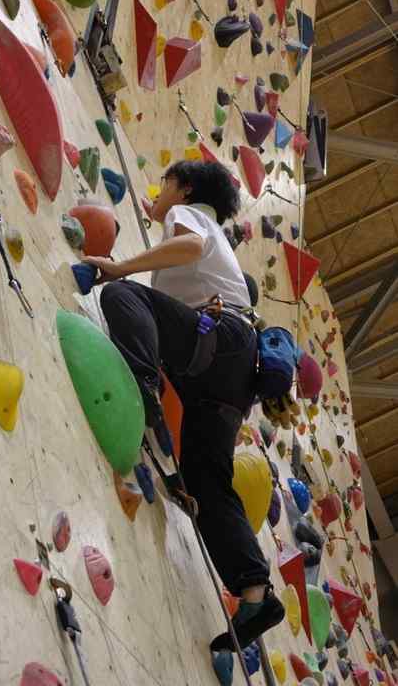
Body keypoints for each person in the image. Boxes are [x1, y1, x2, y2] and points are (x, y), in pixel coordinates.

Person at [83, 160, 284, 651]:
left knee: (122, 294)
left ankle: (143, 386)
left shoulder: (189, 215)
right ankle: (255, 593)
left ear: (186, 189)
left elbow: (188, 247)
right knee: (205, 482)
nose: (158, 192)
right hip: (232, 377)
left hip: (219, 342)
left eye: (165, 184)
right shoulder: (216, 239)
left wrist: (123, 267)